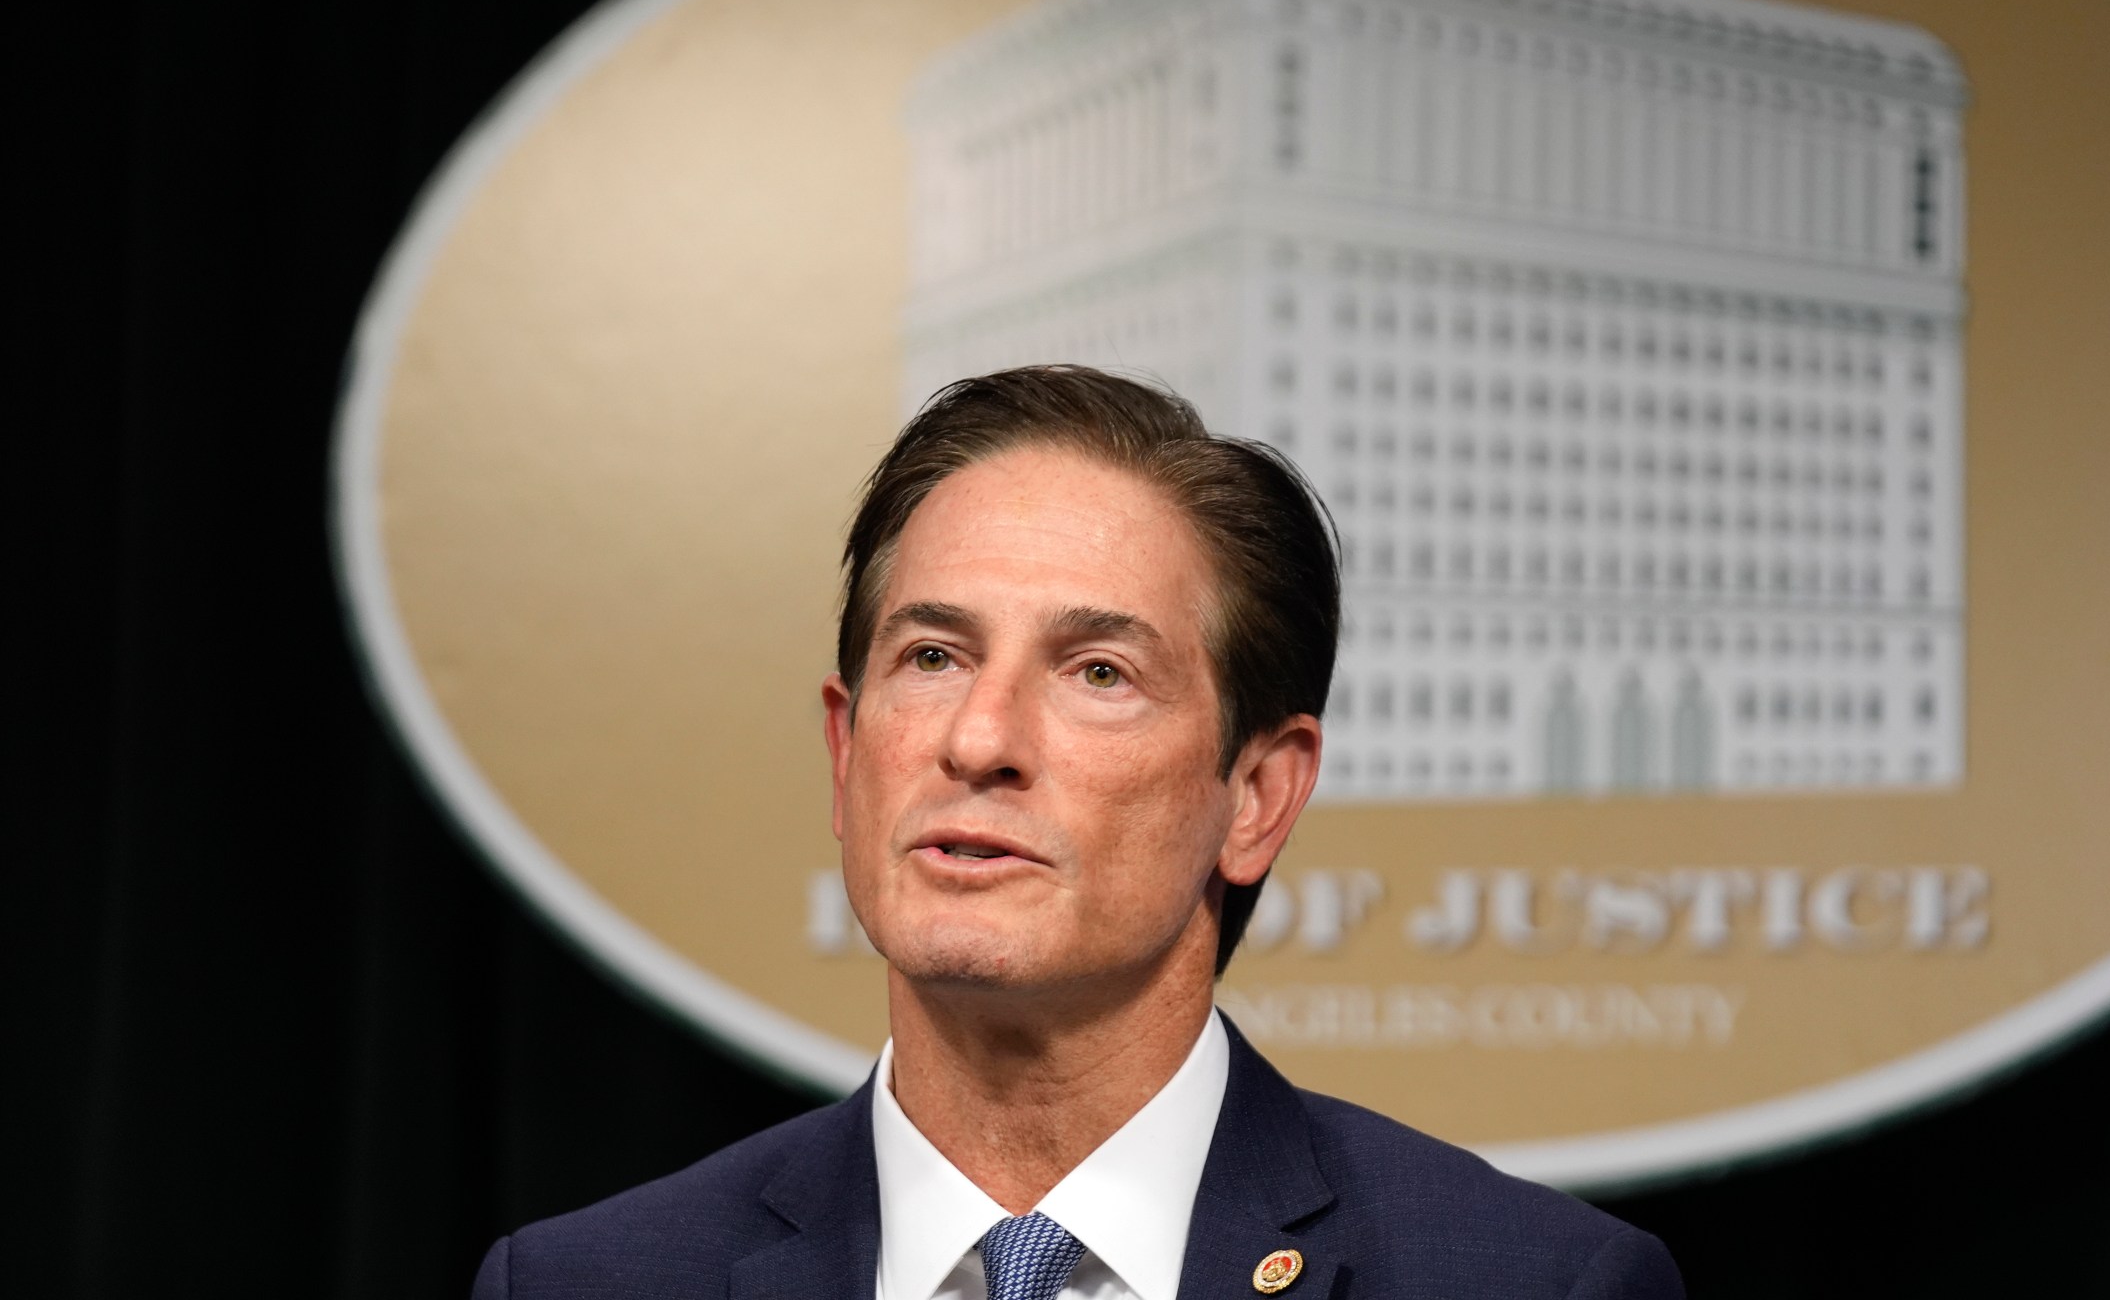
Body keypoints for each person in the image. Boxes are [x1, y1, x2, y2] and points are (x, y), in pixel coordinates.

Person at [471, 366, 1685, 1299]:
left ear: (1257, 794)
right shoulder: (588, 1281)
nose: (979, 737)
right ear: (847, 757)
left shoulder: (1523, 1282)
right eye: (933, 656)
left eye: (1097, 670)